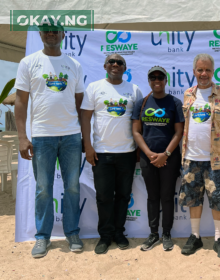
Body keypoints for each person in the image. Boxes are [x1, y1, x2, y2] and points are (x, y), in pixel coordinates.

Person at [15, 25, 85, 258]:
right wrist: (23, 137)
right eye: (46, 30)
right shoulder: (28, 62)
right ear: (41, 35)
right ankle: (42, 237)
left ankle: (72, 233)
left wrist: (83, 135)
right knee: (43, 189)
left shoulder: (74, 65)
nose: (51, 34)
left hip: (71, 137)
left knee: (73, 187)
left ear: (63, 34)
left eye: (56, 30)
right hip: (42, 137)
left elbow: (80, 105)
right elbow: (21, 102)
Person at [179, 53, 220, 260]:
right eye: (200, 70)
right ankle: (195, 236)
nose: (203, 74)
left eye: (207, 70)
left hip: (217, 159)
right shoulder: (188, 94)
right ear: (194, 71)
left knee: (219, 199)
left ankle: (218, 238)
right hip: (190, 158)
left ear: (213, 71)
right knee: (193, 198)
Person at [81, 54, 142, 254]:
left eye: (120, 62)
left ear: (125, 68)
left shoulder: (134, 90)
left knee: (123, 196)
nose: (116, 65)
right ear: (105, 66)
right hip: (102, 153)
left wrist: (139, 150)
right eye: (112, 62)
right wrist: (88, 146)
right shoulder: (94, 88)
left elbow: (139, 123)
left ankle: (118, 233)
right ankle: (105, 236)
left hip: (127, 153)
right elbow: (85, 118)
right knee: (104, 197)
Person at [131, 66, 184, 251]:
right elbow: (136, 132)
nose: (156, 80)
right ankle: (153, 234)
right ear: (148, 80)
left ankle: (167, 234)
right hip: (148, 158)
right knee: (153, 197)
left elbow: (179, 132)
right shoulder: (142, 103)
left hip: (170, 157)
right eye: (152, 77)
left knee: (167, 197)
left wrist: (165, 155)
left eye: (160, 77)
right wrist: (149, 153)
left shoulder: (174, 103)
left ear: (165, 80)